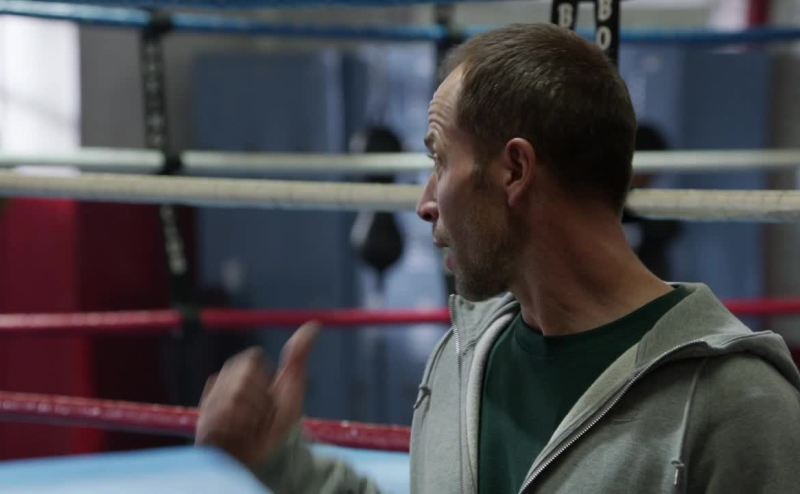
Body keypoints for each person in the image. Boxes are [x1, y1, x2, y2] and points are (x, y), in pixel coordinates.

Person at [195, 23, 800, 493]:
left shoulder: (738, 406)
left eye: (439, 160)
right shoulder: (462, 361)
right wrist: (280, 463)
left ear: (514, 170)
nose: (425, 203)